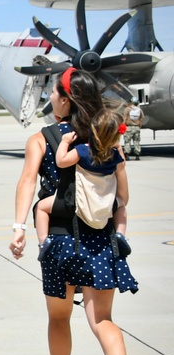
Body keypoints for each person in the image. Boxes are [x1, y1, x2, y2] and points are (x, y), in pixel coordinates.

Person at [9, 67, 139, 355]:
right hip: (101, 240)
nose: (50, 98)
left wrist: (20, 228)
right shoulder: (106, 136)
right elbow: (123, 196)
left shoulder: (42, 138)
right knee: (103, 320)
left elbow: (27, 181)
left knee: (59, 318)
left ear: (65, 100)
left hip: (62, 243)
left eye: (53, 93)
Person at [32, 106, 130, 261]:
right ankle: (120, 234)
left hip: (81, 200)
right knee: (122, 206)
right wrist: (117, 147)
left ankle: (44, 242)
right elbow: (122, 165)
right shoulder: (114, 156)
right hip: (105, 203)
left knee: (41, 208)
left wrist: (64, 142)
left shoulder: (83, 151)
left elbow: (61, 161)